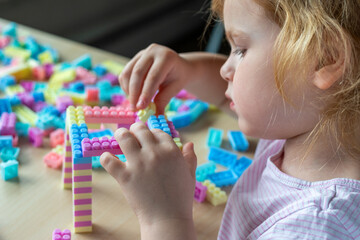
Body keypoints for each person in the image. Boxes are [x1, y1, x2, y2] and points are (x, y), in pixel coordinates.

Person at [100, 0, 360, 238]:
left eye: (242, 49)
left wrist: (164, 219)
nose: (225, 69)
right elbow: (235, 98)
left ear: (325, 59)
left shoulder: (314, 228)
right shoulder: (308, 120)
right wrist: (189, 70)